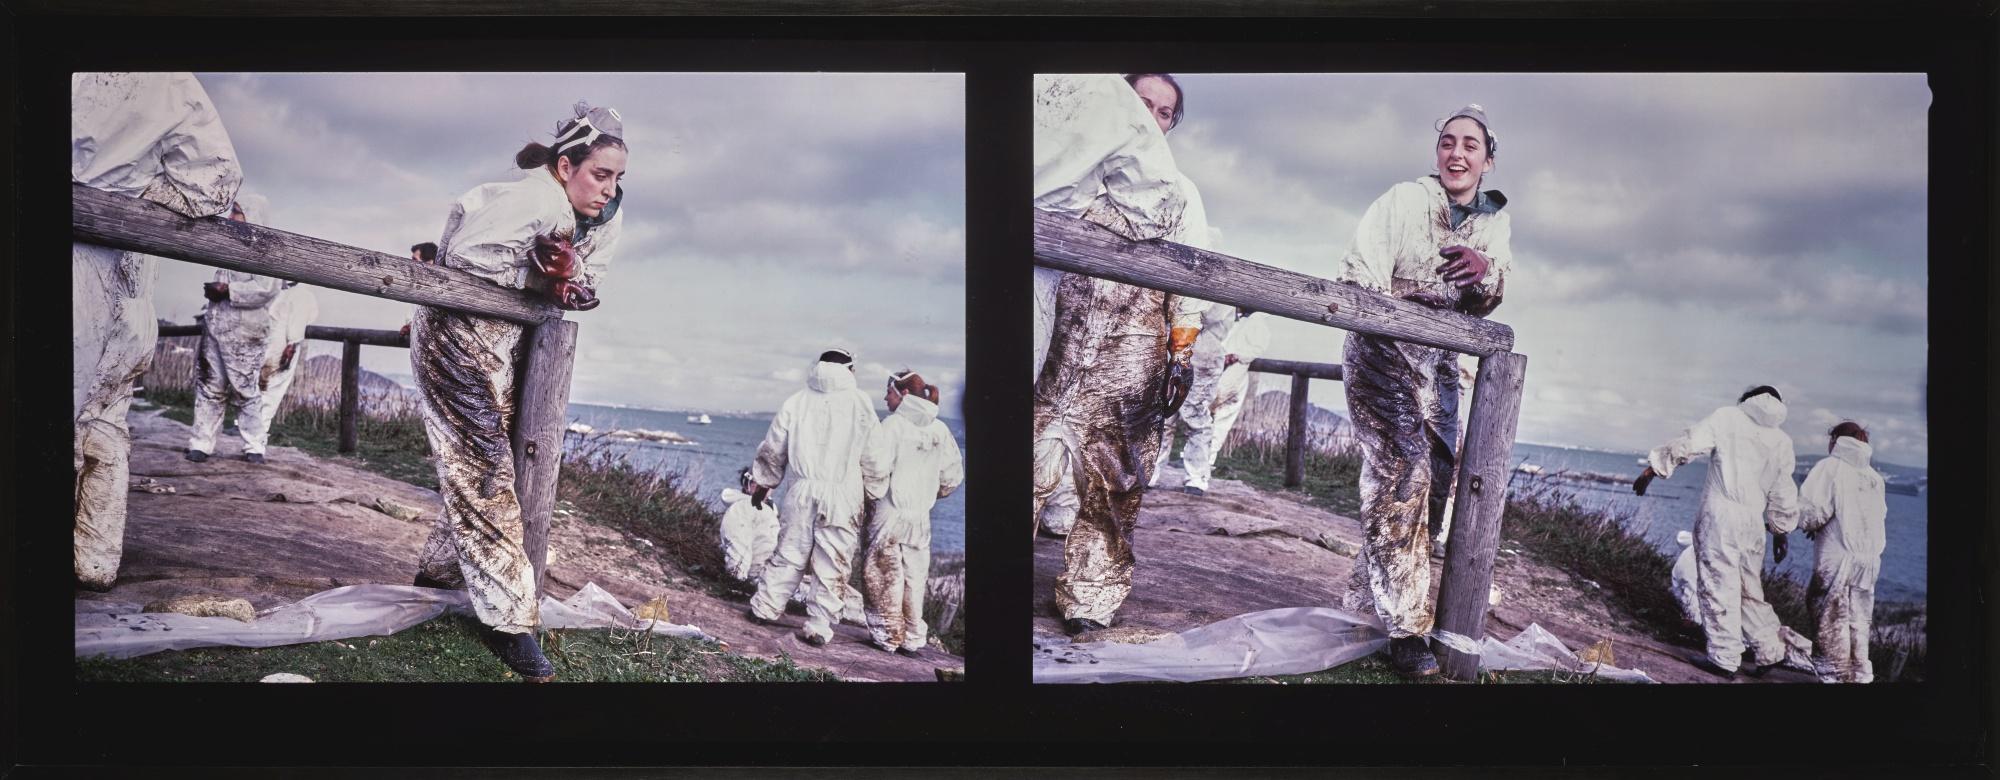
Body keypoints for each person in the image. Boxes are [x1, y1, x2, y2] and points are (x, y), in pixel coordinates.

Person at [408, 101, 626, 682]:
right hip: (455, 332)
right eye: (599, 174)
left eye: (617, 178)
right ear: (564, 166)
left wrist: (570, 279)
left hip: (508, 341)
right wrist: (542, 274)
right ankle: (511, 624)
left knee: (489, 460)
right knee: (485, 467)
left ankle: (437, 576)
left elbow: (590, 283)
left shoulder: (604, 217)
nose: (608, 189)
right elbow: (468, 260)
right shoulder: (531, 197)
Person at [1334, 104, 1513, 678]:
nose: (1456, 154)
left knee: (1435, 484)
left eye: (1470, 146)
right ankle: (1406, 633)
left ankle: (1372, 605)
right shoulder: (1403, 201)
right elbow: (1359, 274)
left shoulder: (1495, 220)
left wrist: (1484, 272)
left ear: (1488, 160)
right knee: (1402, 472)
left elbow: (1492, 293)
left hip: (1440, 363)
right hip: (1381, 345)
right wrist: (1397, 318)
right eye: (1447, 143)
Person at [1032, 74, 1212, 635]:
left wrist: (1181, 350)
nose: (1152, 118)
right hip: (1059, 343)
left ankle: (1089, 600)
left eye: (1164, 113)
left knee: (1113, 485)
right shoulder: (1071, 175)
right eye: (1142, 104)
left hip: (1132, 353)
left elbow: (1193, 275)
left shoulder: (1179, 192)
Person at [72, 72, 243, 591]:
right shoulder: (166, 81)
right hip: (123, 284)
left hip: (86, 276)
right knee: (105, 420)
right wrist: (133, 194)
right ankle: (94, 561)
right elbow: (213, 184)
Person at [1634, 386, 1802, 679]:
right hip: (1753, 523)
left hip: (1722, 514)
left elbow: (1689, 443)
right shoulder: (1782, 440)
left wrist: (1654, 468)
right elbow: (1784, 491)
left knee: (1718, 584)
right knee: (1750, 589)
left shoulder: (1728, 417)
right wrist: (1780, 531)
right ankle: (1769, 651)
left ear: (1747, 399)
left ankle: (1724, 659)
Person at [746, 348, 882, 647]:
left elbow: (773, 447)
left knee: (790, 550)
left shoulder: (797, 400)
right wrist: (873, 492)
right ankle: (819, 625)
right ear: (850, 369)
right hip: (843, 492)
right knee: (834, 559)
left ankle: (765, 608)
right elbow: (874, 455)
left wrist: (764, 482)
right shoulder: (860, 403)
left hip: (802, 489)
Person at [859, 370, 965, 655]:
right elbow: (953, 476)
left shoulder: (892, 425)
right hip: (920, 516)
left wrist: (872, 497)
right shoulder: (939, 430)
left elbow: (875, 467)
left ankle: (887, 635)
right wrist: (930, 494)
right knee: (914, 577)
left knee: (883, 572)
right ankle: (913, 636)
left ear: (903, 394)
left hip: (889, 512)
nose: (885, 397)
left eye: (889, 392)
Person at [186, 200, 283, 465]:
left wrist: (228, 290)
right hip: (217, 322)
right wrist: (216, 291)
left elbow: (267, 289)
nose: (232, 216)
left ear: (253, 215)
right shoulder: (227, 245)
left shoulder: (267, 250)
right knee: (209, 384)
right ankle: (201, 443)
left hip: (246, 330)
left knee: (245, 388)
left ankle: (254, 446)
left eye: (238, 212)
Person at [1797, 422, 1888, 683]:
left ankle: (1834, 676)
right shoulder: (1873, 477)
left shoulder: (1831, 467)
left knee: (1829, 611)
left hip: (1839, 554)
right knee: (1859, 618)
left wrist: (1804, 524)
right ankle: (1860, 675)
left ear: (1837, 439)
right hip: (1870, 559)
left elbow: (1812, 511)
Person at [1153, 307, 1272, 495]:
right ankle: (1152, 470)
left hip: (1203, 354)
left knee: (1197, 418)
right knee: (1164, 416)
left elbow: (1212, 320)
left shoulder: (1239, 311)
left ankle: (1196, 476)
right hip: (1175, 347)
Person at [251, 283, 321, 436]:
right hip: (276, 343)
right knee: (268, 387)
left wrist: (291, 344)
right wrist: (292, 343)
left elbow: (294, 321)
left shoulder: (291, 292)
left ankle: (255, 428)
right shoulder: (296, 293)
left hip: (276, 342)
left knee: (265, 386)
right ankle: (256, 429)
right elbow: (298, 321)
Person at [720, 466, 780, 582]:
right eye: (755, 482)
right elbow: (738, 546)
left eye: (767, 484)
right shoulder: (742, 508)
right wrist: (737, 580)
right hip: (749, 578)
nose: (762, 487)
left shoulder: (770, 511)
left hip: (766, 579)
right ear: (747, 484)